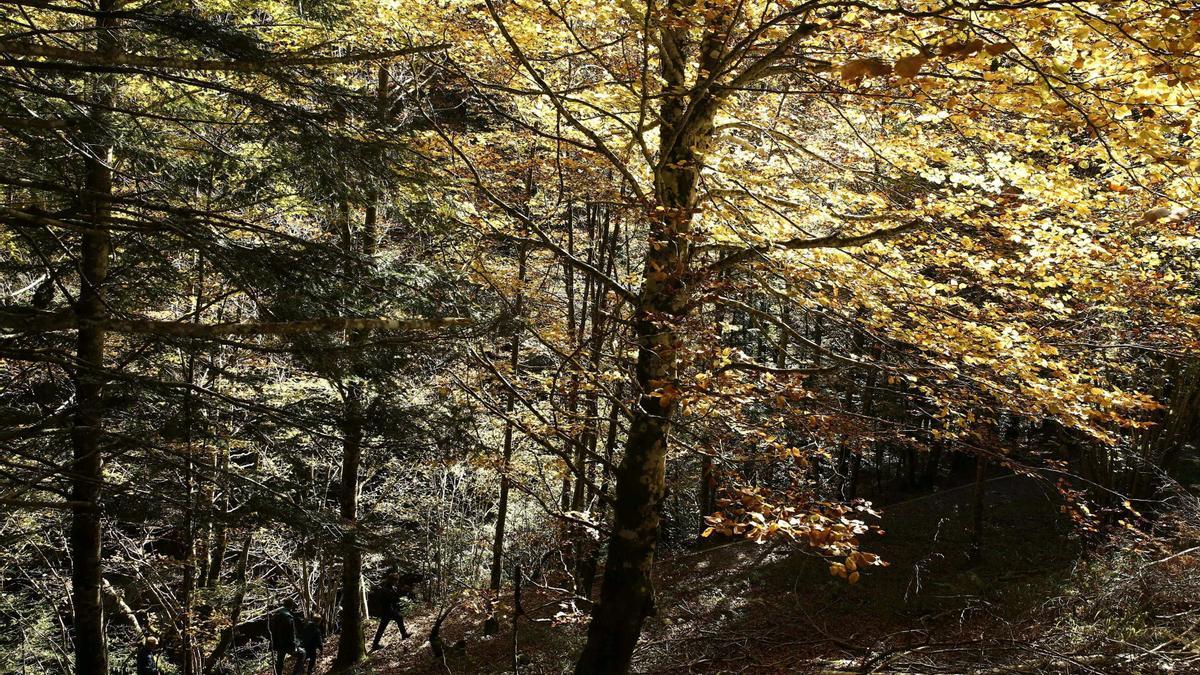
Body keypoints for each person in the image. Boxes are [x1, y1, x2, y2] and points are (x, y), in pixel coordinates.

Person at [371, 573, 411, 651]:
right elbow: (392, 598)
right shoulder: (386, 589)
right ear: (392, 580)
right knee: (382, 627)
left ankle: (404, 634)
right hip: (387, 611)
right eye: (396, 580)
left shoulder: (390, 587)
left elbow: (395, 598)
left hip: (389, 610)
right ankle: (375, 644)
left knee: (398, 618)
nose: (397, 582)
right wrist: (402, 593)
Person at [268, 599, 306, 675]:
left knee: (280, 661)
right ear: (291, 606)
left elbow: (271, 630)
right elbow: (291, 634)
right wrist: (294, 645)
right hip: (287, 645)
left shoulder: (276, 615)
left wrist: (273, 642)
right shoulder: (288, 617)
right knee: (302, 653)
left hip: (278, 643)